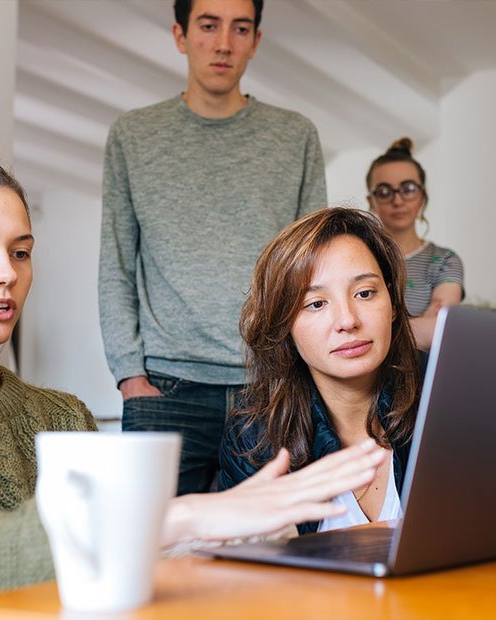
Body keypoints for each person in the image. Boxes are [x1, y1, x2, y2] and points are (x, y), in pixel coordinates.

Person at [0, 95, 383, 620]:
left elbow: (113, 582)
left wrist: (231, 536)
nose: (6, 273)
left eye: (20, 252)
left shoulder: (62, 417)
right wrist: (175, 515)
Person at [99, 0, 327, 495]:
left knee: (265, 540)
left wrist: (305, 370)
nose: (224, 43)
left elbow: (314, 269)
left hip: (269, 386)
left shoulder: (296, 137)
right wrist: (128, 375)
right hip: (163, 389)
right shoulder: (133, 136)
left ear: (256, 41)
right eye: (208, 25)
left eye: (240, 28)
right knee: (154, 540)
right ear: (180, 36)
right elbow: (115, 263)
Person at [218, 208, 424, 535]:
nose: (347, 321)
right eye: (316, 304)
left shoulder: (449, 398)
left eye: (365, 293)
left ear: (393, 304)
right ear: (284, 325)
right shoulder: (253, 439)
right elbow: (242, 562)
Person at [366, 137, 464, 350]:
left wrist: (369, 335)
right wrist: (419, 325)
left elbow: (437, 331)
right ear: (371, 201)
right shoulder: (359, 257)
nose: (397, 200)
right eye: (384, 191)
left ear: (422, 195)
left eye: (408, 188)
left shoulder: (445, 260)